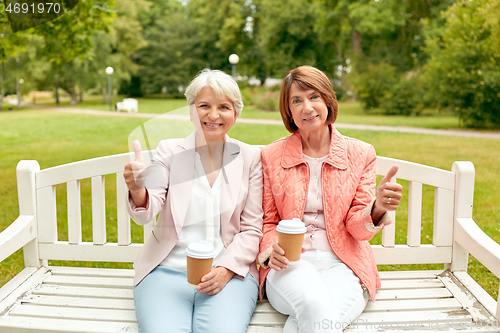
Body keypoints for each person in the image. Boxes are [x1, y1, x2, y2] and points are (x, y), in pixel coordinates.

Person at [257, 66, 403, 333]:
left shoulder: (360, 153)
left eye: (314, 97)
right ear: (288, 110)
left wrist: (378, 207)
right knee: (315, 306)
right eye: (296, 101)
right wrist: (270, 248)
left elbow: (357, 229)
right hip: (290, 263)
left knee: (318, 319)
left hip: (344, 263)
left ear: (328, 100)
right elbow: (268, 221)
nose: (307, 107)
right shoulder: (271, 155)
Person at [124, 69, 263, 333]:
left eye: (224, 106)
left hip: (230, 276)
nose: (213, 115)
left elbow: (252, 229)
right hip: (164, 272)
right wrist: (137, 188)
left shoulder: (249, 157)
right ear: (190, 111)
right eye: (204, 106)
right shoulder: (169, 150)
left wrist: (226, 270)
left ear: (236, 113)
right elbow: (145, 210)